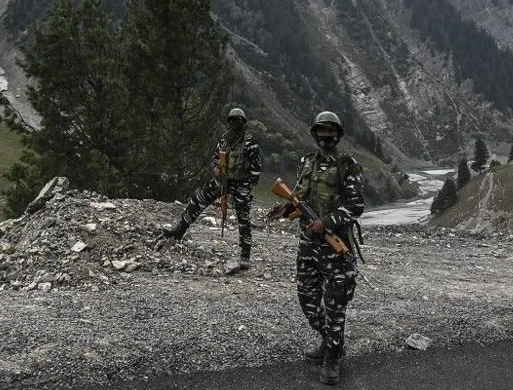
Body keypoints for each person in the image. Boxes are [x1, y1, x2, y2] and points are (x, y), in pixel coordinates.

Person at [268, 111, 365, 385]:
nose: (325, 137)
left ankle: (332, 357)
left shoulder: (348, 165)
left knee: (335, 305)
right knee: (307, 301)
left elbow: (356, 206)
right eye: (321, 132)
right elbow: (300, 197)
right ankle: (331, 342)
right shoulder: (306, 162)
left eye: (330, 132)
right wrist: (287, 207)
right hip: (308, 245)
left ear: (338, 135)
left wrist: (327, 222)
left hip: (335, 248)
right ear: (314, 134)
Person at [156, 108, 261, 269]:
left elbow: (255, 170)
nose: (234, 123)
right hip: (223, 179)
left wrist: (245, 186)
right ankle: (179, 230)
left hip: (241, 183)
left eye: (237, 120)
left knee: (243, 218)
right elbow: (214, 159)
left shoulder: (250, 143)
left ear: (243, 122)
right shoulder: (224, 140)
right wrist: (216, 170)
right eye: (232, 120)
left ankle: (245, 254)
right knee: (198, 200)